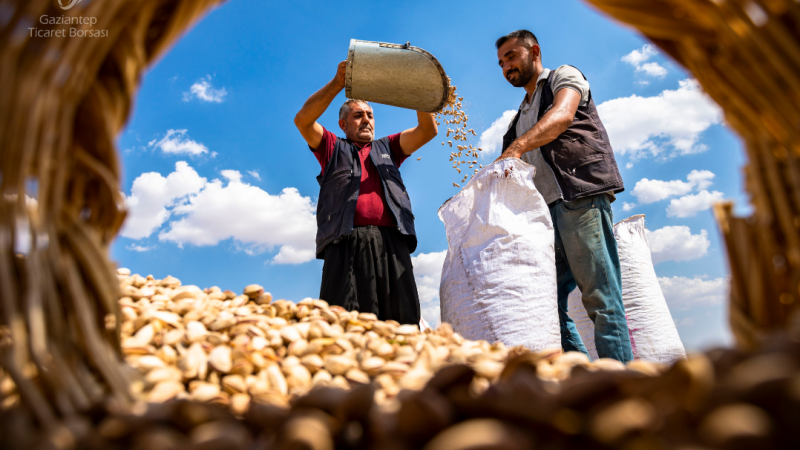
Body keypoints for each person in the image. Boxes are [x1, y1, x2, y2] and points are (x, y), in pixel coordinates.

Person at [494, 30, 633, 362]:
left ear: (534, 51)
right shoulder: (518, 118)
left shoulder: (563, 77)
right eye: (501, 63)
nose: (506, 67)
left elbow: (563, 115)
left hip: (578, 199)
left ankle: (624, 385)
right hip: (544, 218)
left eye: (511, 56)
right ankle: (583, 376)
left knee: (601, 298)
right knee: (546, 307)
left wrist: (517, 147)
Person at [294, 61, 438, 325]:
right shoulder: (332, 147)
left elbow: (428, 130)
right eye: (358, 115)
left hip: (391, 242)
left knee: (401, 318)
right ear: (343, 124)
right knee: (345, 320)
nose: (366, 120)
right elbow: (303, 121)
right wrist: (338, 83)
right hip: (345, 241)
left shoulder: (389, 147)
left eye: (370, 115)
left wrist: (421, 90)